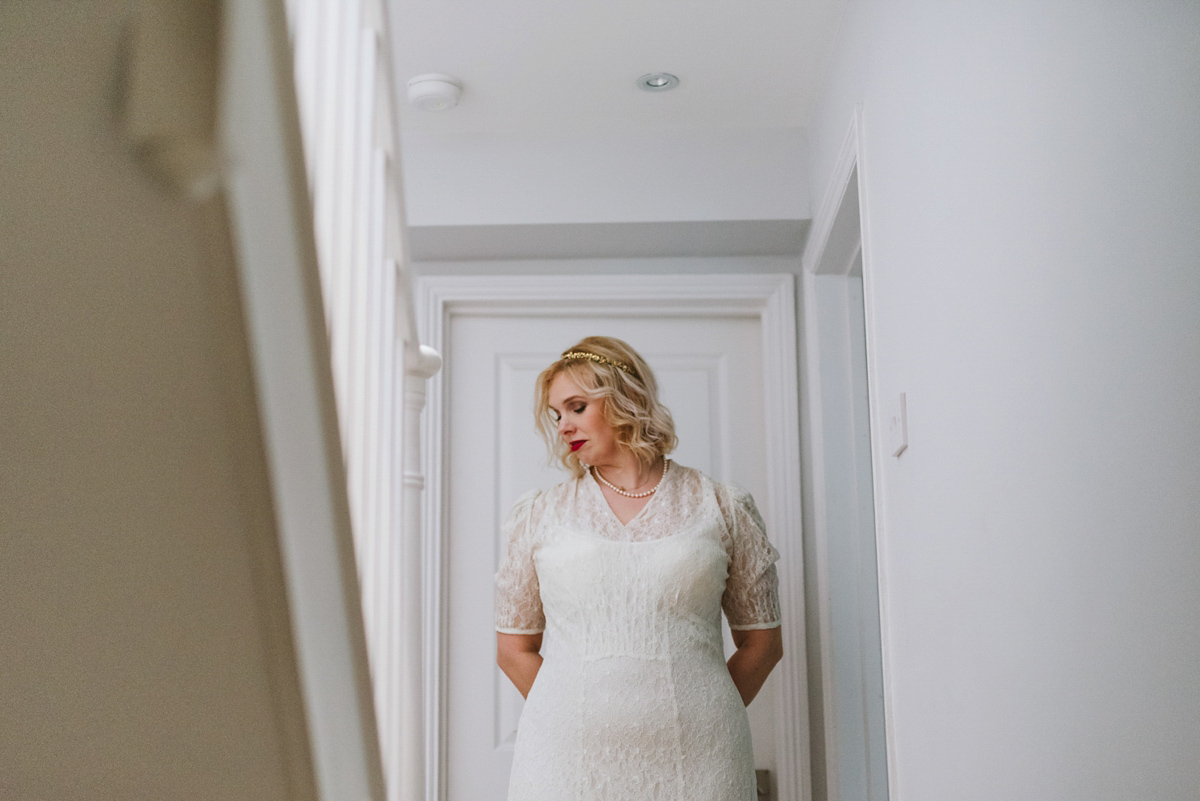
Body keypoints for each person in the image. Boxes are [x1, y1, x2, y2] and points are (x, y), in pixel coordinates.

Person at [494, 336, 784, 801]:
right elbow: (514, 649)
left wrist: (706, 709)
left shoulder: (720, 506)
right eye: (556, 414)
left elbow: (763, 643)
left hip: (702, 758)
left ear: (624, 397)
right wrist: (567, 711)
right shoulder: (540, 515)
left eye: (576, 407)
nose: (564, 426)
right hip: (566, 760)